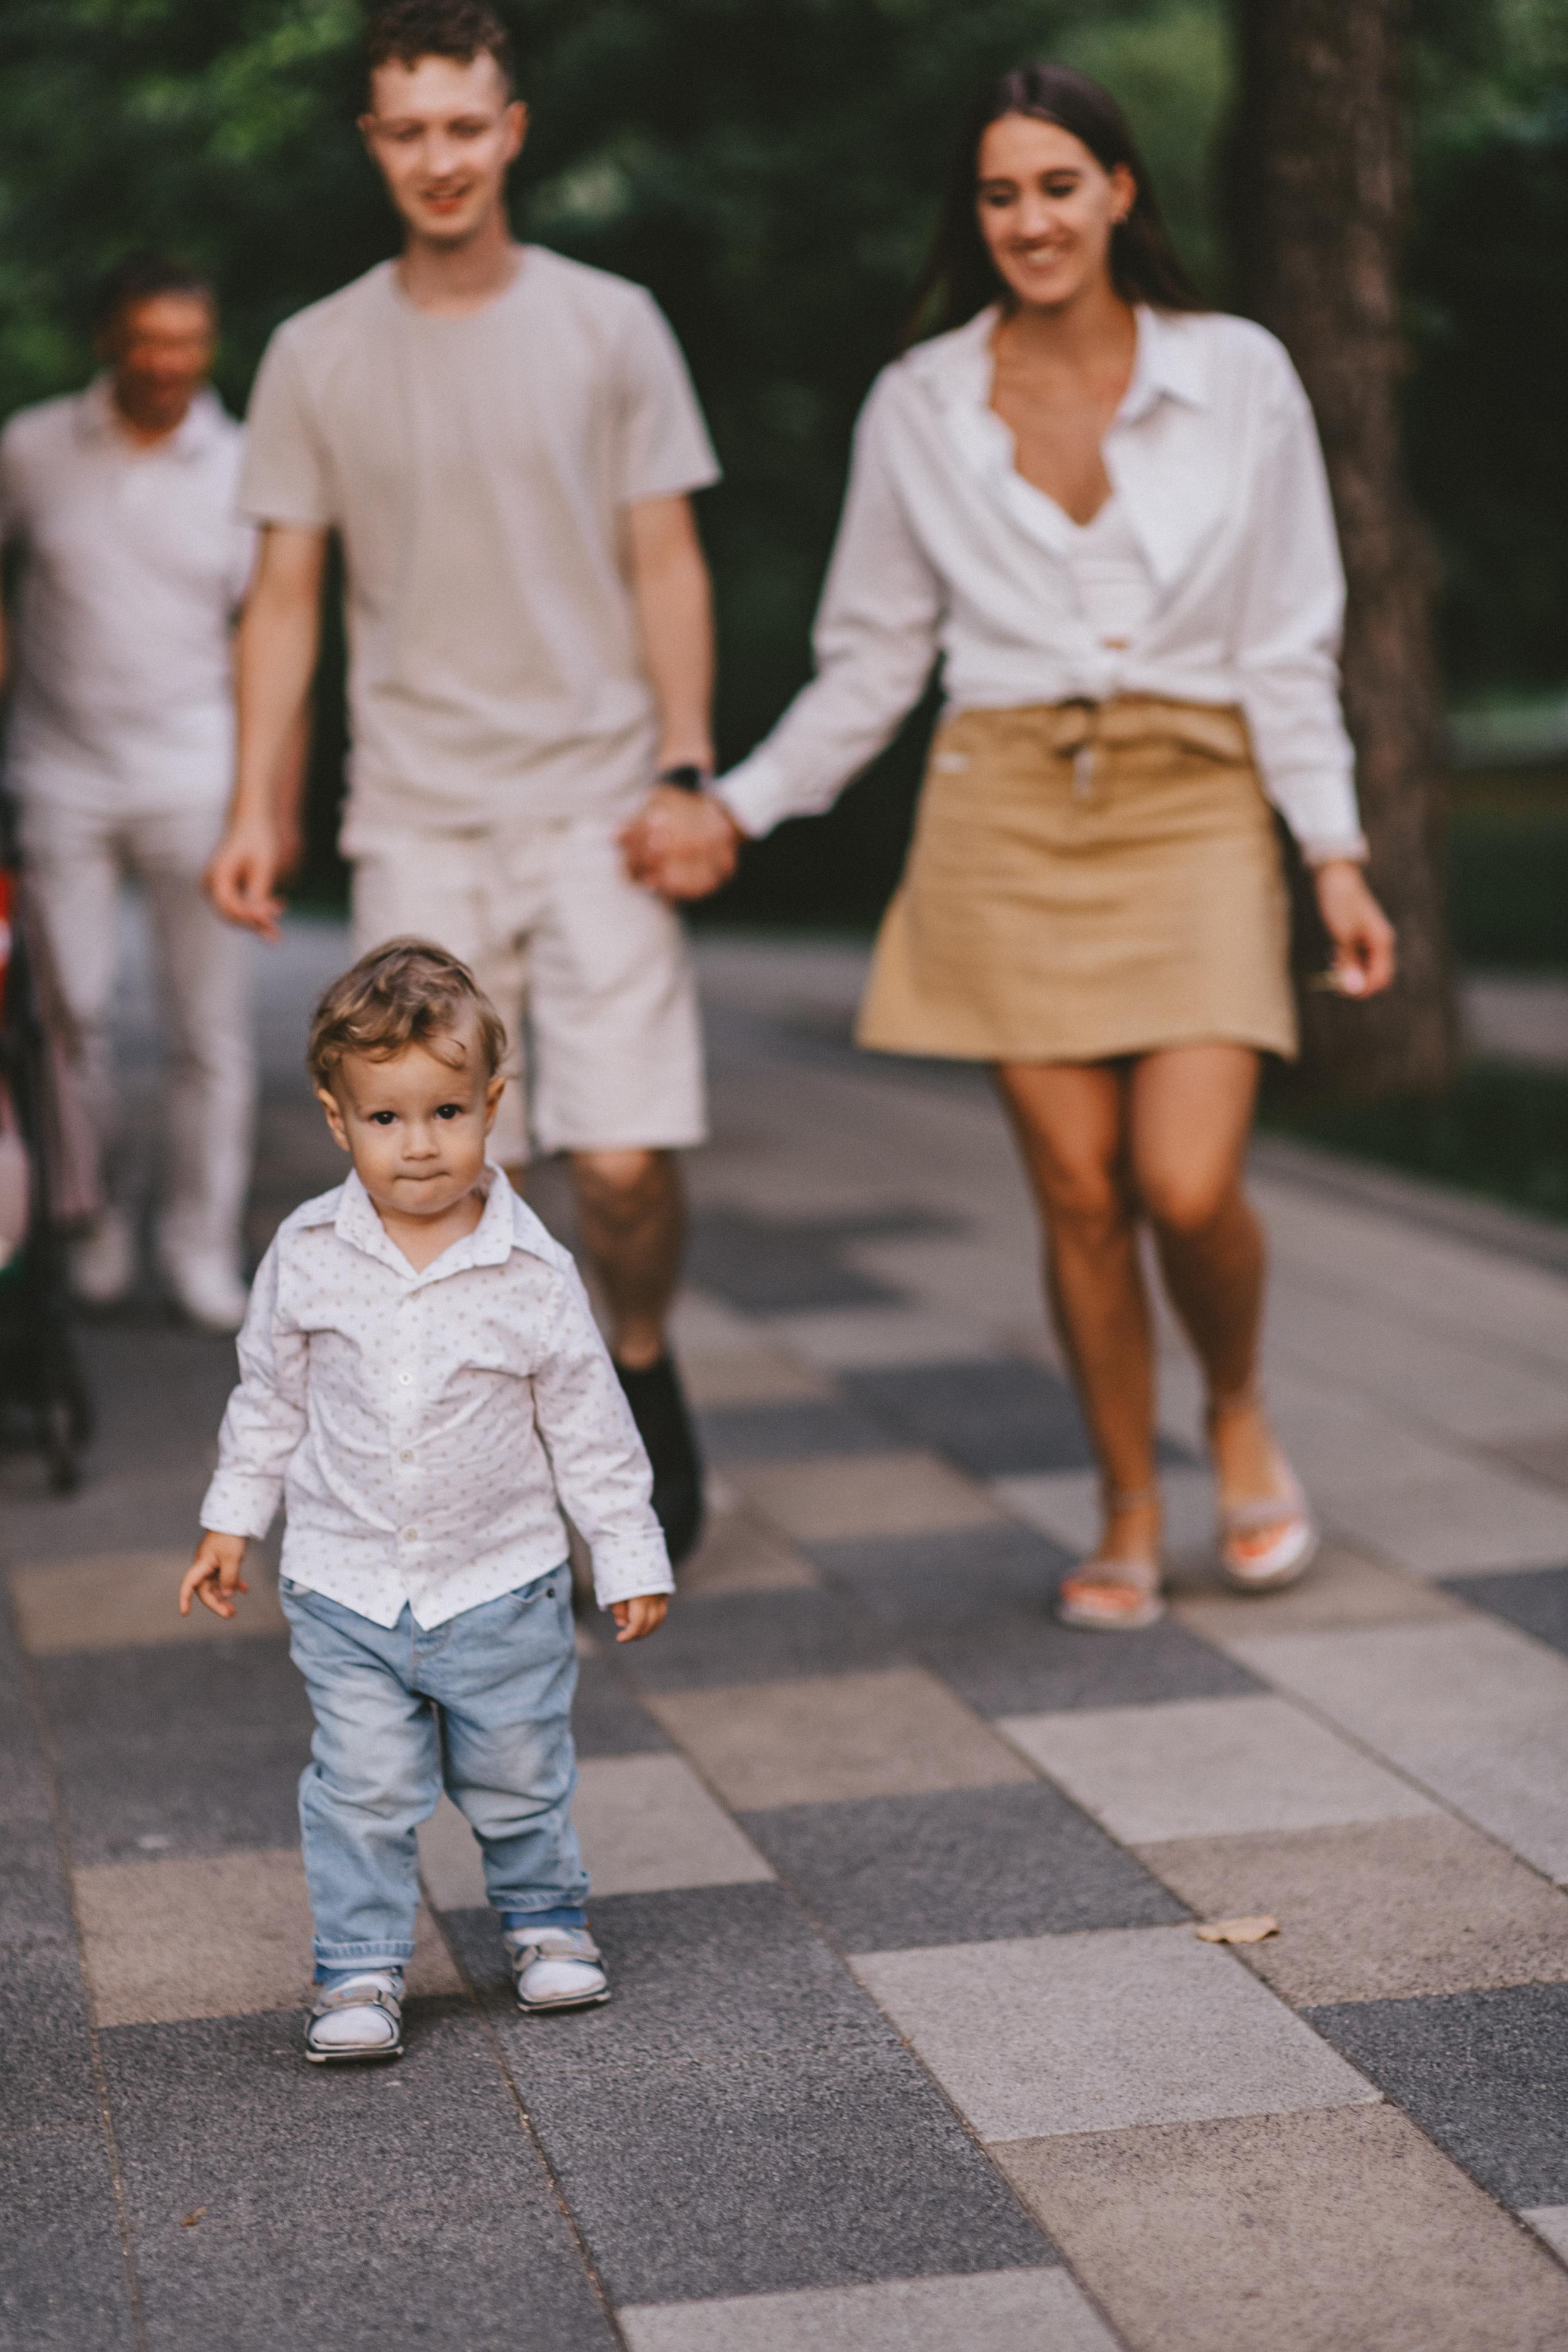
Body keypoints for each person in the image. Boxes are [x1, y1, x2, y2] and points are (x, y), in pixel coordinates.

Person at [625, 62, 1397, 1630]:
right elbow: (869, 662)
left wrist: (1332, 852)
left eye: (1056, 185)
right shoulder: (918, 405)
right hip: (1000, 810)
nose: (1029, 220)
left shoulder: (1237, 373)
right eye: (998, 195)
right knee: (1076, 1194)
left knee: (1184, 1184)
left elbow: (1286, 641)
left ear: (1118, 191)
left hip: (1191, 797)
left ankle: (1233, 1408)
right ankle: (1125, 1507)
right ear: (971, 216)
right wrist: (738, 803)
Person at [204, 0, 719, 1560]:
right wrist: (255, 803)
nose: (441, 157)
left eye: (465, 125)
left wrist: (687, 767)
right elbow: (284, 597)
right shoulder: (316, 353)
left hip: (599, 803)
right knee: (451, 1169)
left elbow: (664, 557)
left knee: (620, 1167)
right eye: (409, 130)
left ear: (511, 132)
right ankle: (513, 1462)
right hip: (419, 811)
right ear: (375, 142)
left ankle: (637, 1356)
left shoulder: (610, 325)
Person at [179, 939, 672, 2062]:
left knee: (519, 1773)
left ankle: (545, 1923)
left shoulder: (533, 1271)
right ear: (336, 1119)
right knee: (361, 1787)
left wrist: (628, 1552)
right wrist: (230, 1520)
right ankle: (358, 1967)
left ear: (492, 1106)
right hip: (347, 1584)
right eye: (386, 1118)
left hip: (501, 1582)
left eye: (447, 1112)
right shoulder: (307, 1254)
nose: (418, 1145)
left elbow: (590, 1426)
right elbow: (269, 1399)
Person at [0, 254, 277, 1332]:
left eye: (188, 341)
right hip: (58, 773)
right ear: (110, 340)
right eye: (149, 340)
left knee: (209, 1031)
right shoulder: (32, 449)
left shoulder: (245, 464)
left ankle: (200, 1247)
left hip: (198, 776)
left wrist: (266, 804)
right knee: (71, 1019)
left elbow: (272, 638)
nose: (168, 362)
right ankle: (94, 1222)